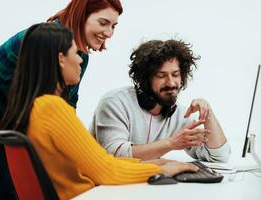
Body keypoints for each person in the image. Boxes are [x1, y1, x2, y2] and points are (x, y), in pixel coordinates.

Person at [0, 23, 198, 200]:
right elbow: (105, 171)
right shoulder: (52, 108)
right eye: (75, 53)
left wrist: (159, 164)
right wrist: (161, 170)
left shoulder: (30, 107)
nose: (79, 61)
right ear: (61, 59)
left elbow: (98, 164)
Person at [0, 0, 122, 198]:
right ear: (81, 16)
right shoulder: (47, 43)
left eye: (113, 26)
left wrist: (81, 147)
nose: (109, 33)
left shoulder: (78, 55)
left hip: (5, 129)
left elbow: (67, 107)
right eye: (103, 23)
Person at [90, 39, 231, 162]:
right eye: (161, 75)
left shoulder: (179, 114)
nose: (171, 83)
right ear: (145, 79)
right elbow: (114, 154)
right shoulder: (114, 102)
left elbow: (219, 157)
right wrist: (171, 143)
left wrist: (208, 114)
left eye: (175, 74)